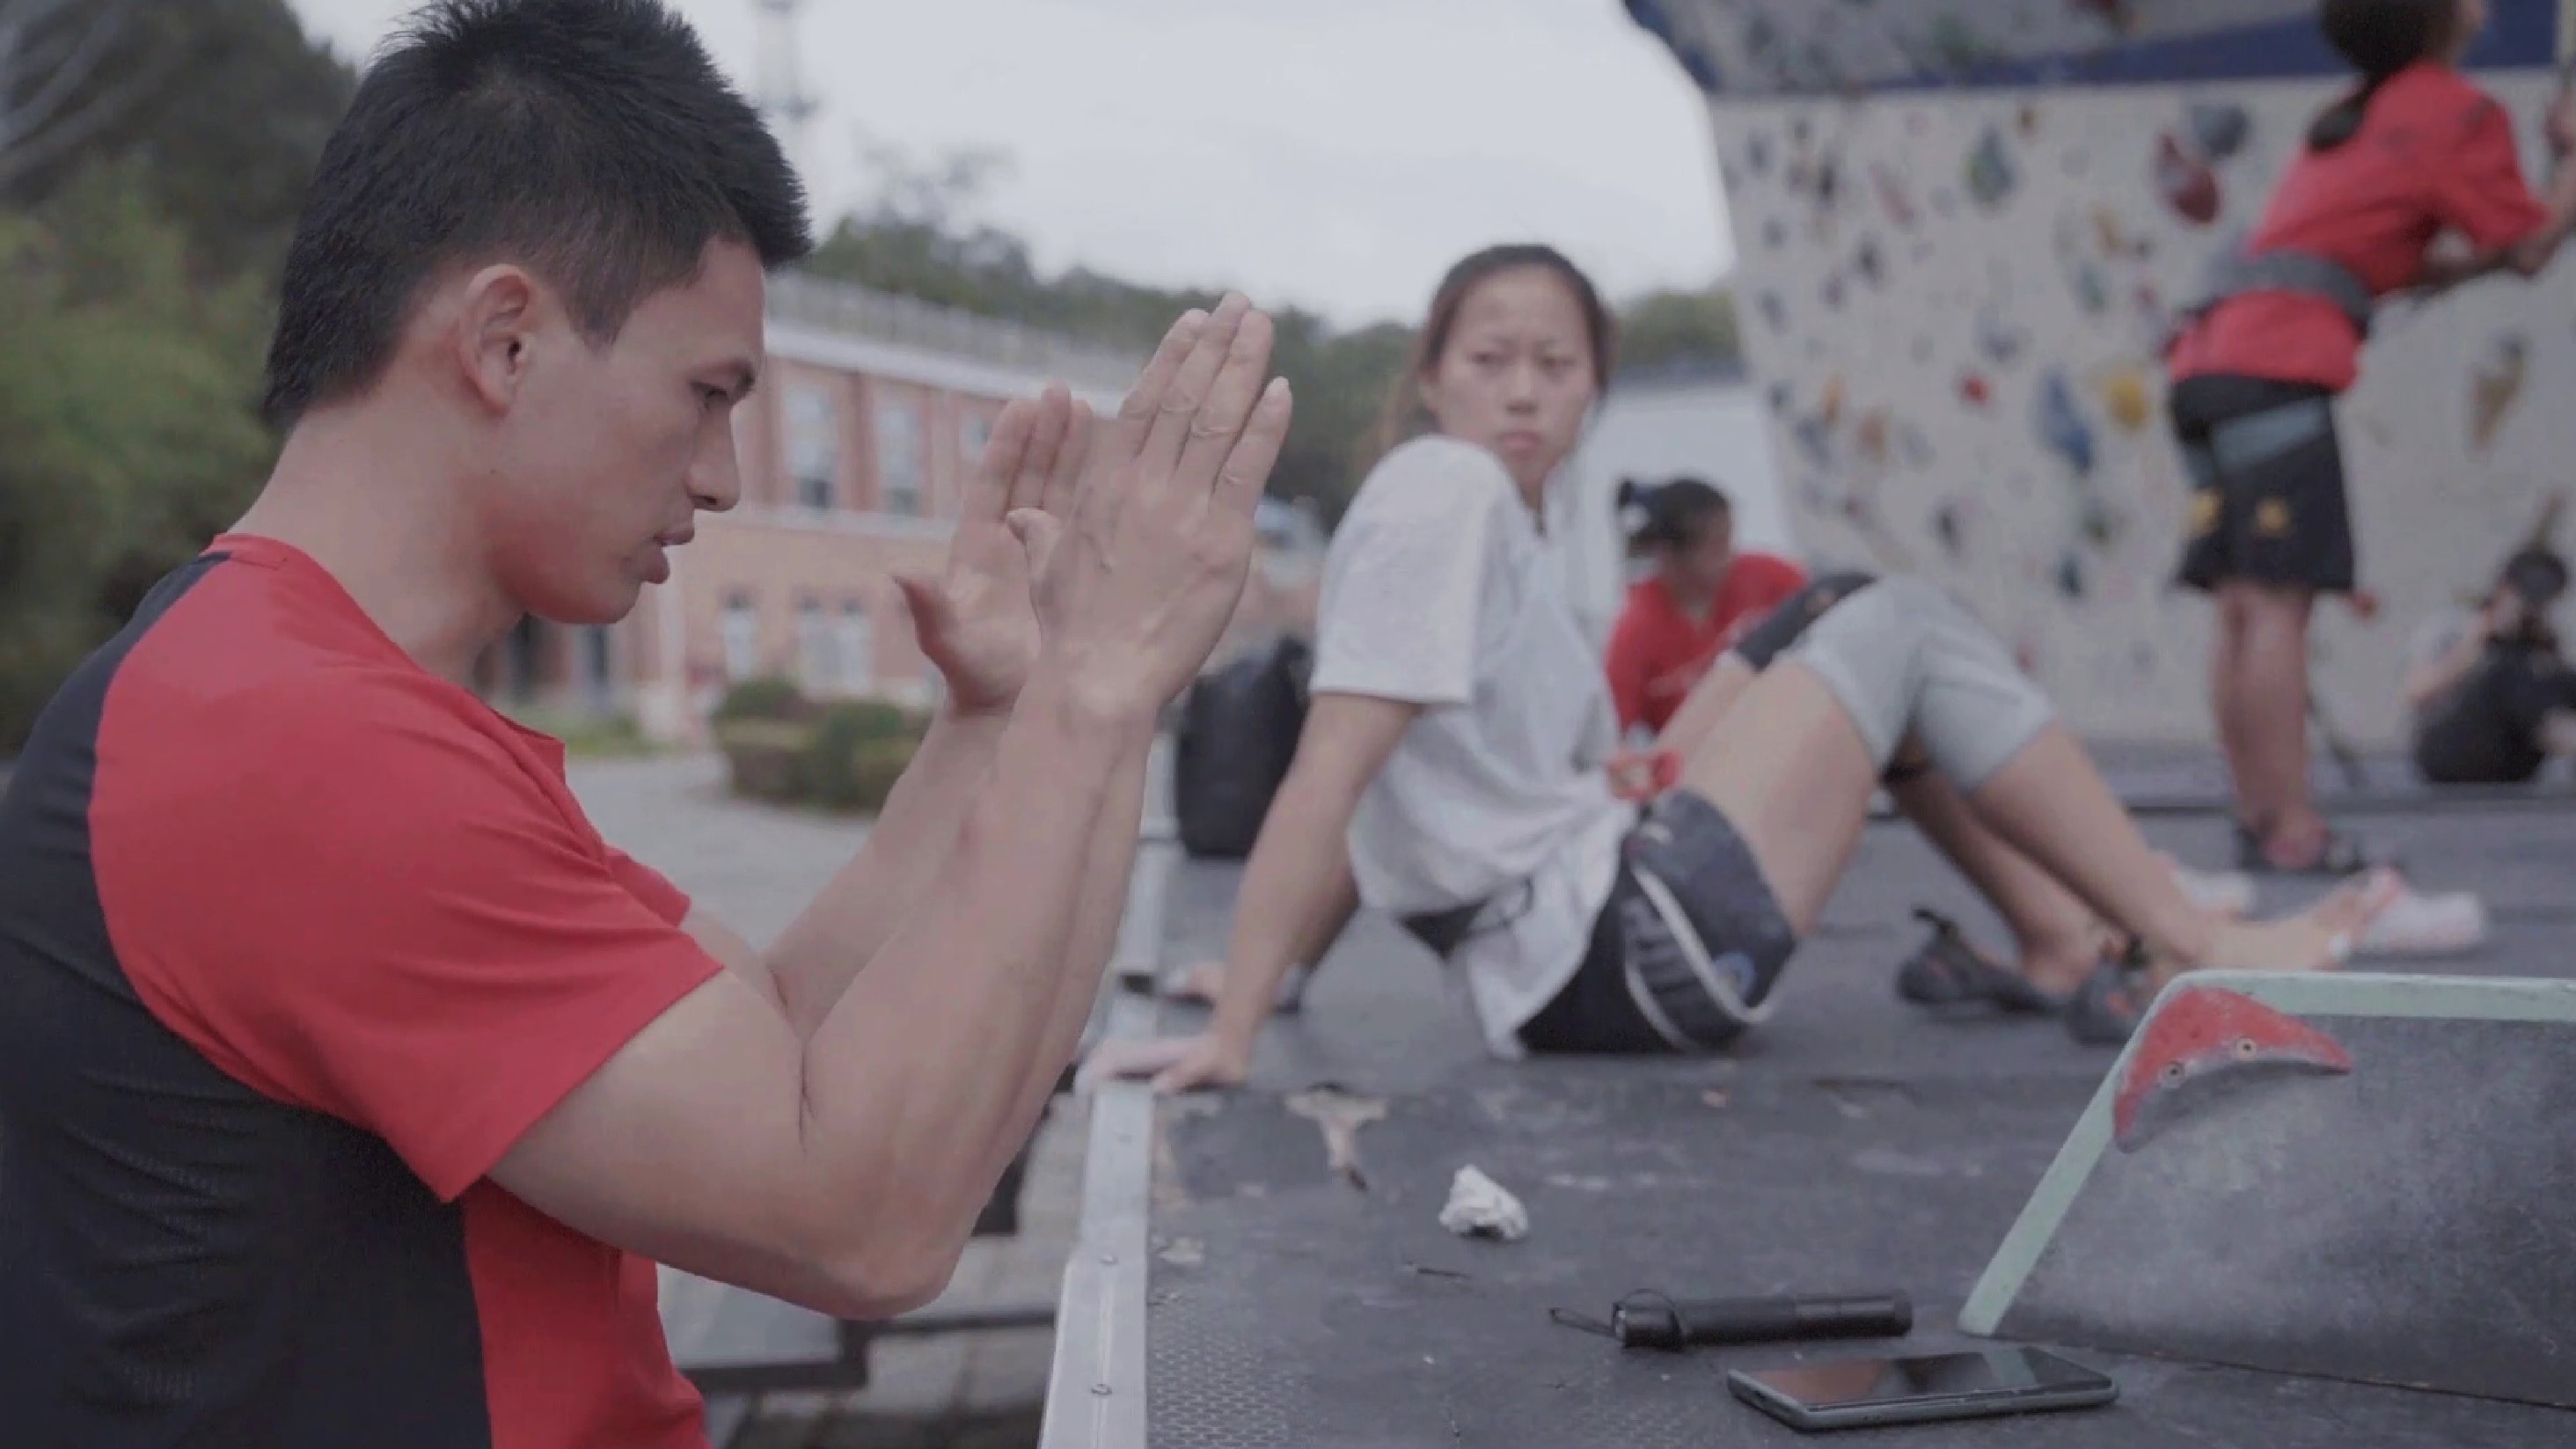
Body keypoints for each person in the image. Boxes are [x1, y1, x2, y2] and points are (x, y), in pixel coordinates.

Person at [0, 3, 1292, 1445]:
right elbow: (859, 1217)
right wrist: (1100, 690)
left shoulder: (297, 698)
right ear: (503, 340)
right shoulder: (281, 750)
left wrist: (995, 716)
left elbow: (784, 1027)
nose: (728, 475)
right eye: (705, 395)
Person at [1087, 244, 2397, 1095]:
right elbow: (1336, 767)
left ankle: (2064, 936)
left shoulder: (1501, 532)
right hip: (1626, 957)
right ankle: (2186, 940)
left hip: (1596, 953)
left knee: (1848, 624)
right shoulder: (1448, 490)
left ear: (1596, 385)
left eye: (1558, 363)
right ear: (1431, 379)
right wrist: (1242, 1021)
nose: (1524, 391)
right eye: (1490, 361)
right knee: (1900, 620)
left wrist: (1282, 974)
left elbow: (1390, 801)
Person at [2163, 0, 2576, 875]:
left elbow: (2382, 254)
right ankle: (2293, 832)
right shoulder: (2455, 110)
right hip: (2278, 365)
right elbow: (2533, 244)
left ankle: (2261, 820)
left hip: (2207, 362)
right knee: (2277, 602)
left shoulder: (2350, 116)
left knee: (2243, 604)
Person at [1605, 476, 1810, 736]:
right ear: (1668, 555)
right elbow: (1612, 730)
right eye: (1715, 547)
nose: (1728, 556)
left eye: (1728, 539)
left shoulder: (1770, 578)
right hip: (1697, 764)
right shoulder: (1636, 631)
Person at [2407, 545, 2576, 782]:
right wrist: (2480, 640)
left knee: (2558, 677)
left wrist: (2538, 648)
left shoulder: (2537, 639)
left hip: (2510, 760)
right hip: (2448, 750)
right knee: (2506, 670)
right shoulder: (2454, 625)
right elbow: (2417, 693)